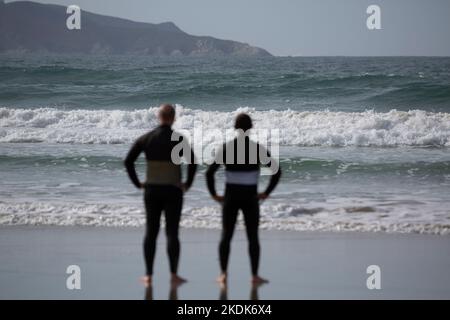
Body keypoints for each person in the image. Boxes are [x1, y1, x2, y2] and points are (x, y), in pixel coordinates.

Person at [124, 104, 197, 286]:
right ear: (173, 118)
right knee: (172, 233)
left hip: (152, 190)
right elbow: (193, 163)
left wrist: (138, 183)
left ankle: (148, 275)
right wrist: (187, 184)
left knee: (151, 232)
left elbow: (128, 162)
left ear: (159, 117)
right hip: (173, 190)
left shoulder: (146, 138)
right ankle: (174, 275)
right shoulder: (179, 139)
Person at [206, 113, 281, 284]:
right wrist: (266, 192)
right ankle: (254, 276)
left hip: (230, 197)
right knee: (253, 236)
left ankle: (223, 274)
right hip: (250, 198)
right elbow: (276, 171)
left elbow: (209, 173)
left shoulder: (226, 148)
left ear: (235, 128)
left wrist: (214, 194)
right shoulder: (257, 149)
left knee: (226, 235)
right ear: (251, 128)